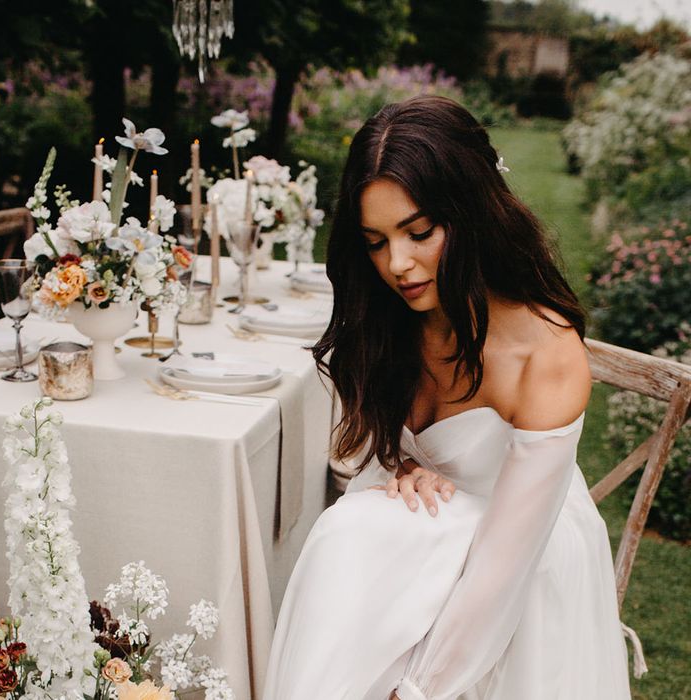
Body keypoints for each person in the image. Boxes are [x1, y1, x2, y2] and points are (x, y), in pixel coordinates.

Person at [262, 96, 633, 699]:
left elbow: (503, 570)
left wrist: (417, 690)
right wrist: (402, 465)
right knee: (350, 536)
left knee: (351, 538)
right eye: (376, 242)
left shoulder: (544, 352)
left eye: (419, 233)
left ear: (473, 213)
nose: (398, 265)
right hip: (420, 542)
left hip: (521, 564)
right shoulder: (393, 318)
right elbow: (358, 448)